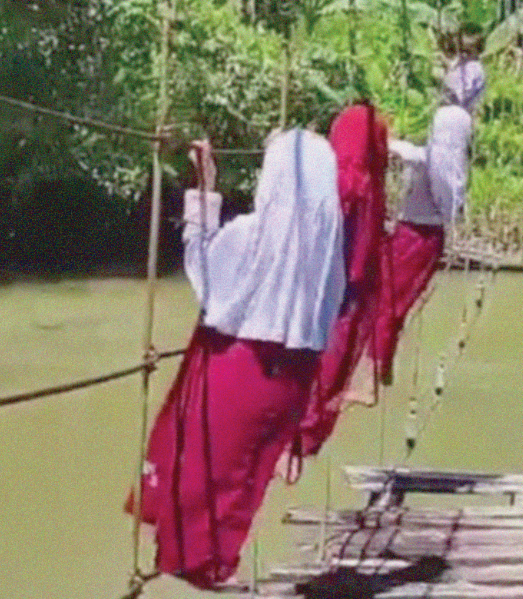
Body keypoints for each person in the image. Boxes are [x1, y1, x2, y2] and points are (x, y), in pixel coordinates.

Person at [126, 129, 346, 588]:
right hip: (292, 382)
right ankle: (210, 566)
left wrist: (205, 192)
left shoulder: (256, 236)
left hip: (240, 367)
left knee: (199, 479)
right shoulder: (327, 252)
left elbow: (204, 273)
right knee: (236, 488)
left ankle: (189, 566)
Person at [347, 53, 483, 406]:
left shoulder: (448, 132)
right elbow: (429, 158)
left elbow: (436, 165)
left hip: (417, 236)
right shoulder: (449, 141)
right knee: (391, 301)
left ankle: (369, 378)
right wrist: (395, 148)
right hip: (418, 234)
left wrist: (388, 147)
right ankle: (379, 368)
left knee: (386, 302)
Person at [291, 103, 390, 466]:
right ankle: (306, 433)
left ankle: (296, 431)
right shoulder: (372, 187)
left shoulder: (340, 182)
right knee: (332, 358)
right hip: (351, 290)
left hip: (320, 287)